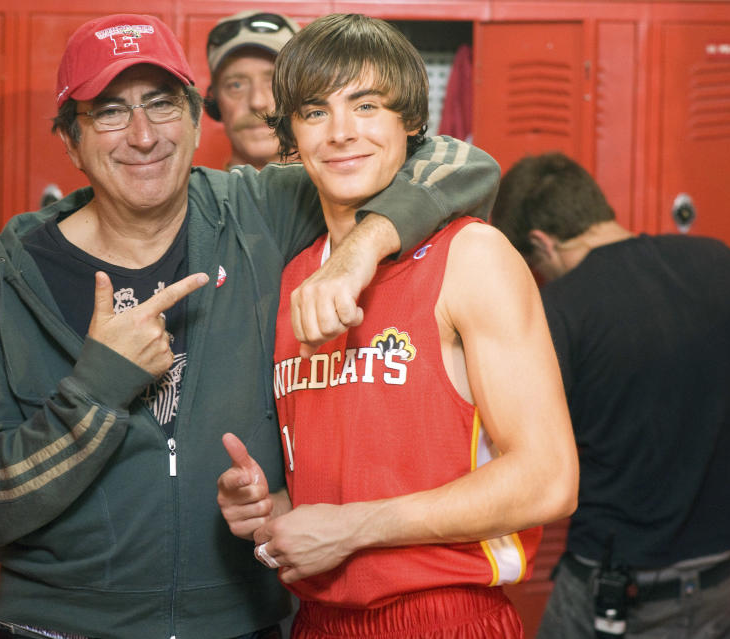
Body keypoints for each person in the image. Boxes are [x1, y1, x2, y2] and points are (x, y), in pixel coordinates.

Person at [0, 13, 504, 639]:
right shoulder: (15, 278)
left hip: (239, 622)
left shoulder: (260, 210)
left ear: (193, 118)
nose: (143, 135)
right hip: (58, 627)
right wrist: (99, 386)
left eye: (161, 105)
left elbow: (459, 160)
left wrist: (360, 249)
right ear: (71, 142)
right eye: (108, 112)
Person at [216, 14, 579, 639]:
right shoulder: (291, 279)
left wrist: (353, 527)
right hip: (319, 620)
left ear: (410, 123)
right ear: (290, 137)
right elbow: (358, 481)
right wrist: (275, 510)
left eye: (366, 105)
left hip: (447, 615)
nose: (341, 133)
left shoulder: (471, 257)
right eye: (314, 112)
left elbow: (548, 480)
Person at [489, 152, 730, 638]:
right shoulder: (722, 262)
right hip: (719, 589)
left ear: (541, 243)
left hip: (610, 598)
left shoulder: (558, 310)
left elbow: (522, 453)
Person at [204, 11, 300, 168]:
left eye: (275, 82)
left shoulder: (340, 191)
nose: (257, 102)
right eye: (236, 85)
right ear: (214, 102)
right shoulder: (194, 193)